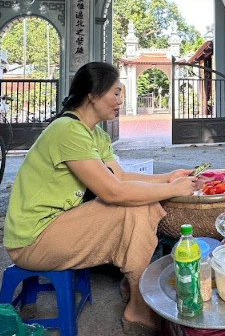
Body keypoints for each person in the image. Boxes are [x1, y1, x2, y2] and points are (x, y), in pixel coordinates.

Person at [3, 62, 199, 336]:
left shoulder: (95, 133)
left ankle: (134, 284)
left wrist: (168, 178)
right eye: (116, 93)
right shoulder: (67, 130)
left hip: (60, 223)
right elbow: (113, 191)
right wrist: (174, 190)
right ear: (92, 94)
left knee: (139, 204)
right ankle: (137, 302)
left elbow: (120, 177)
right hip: (32, 239)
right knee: (133, 207)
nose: (120, 101)